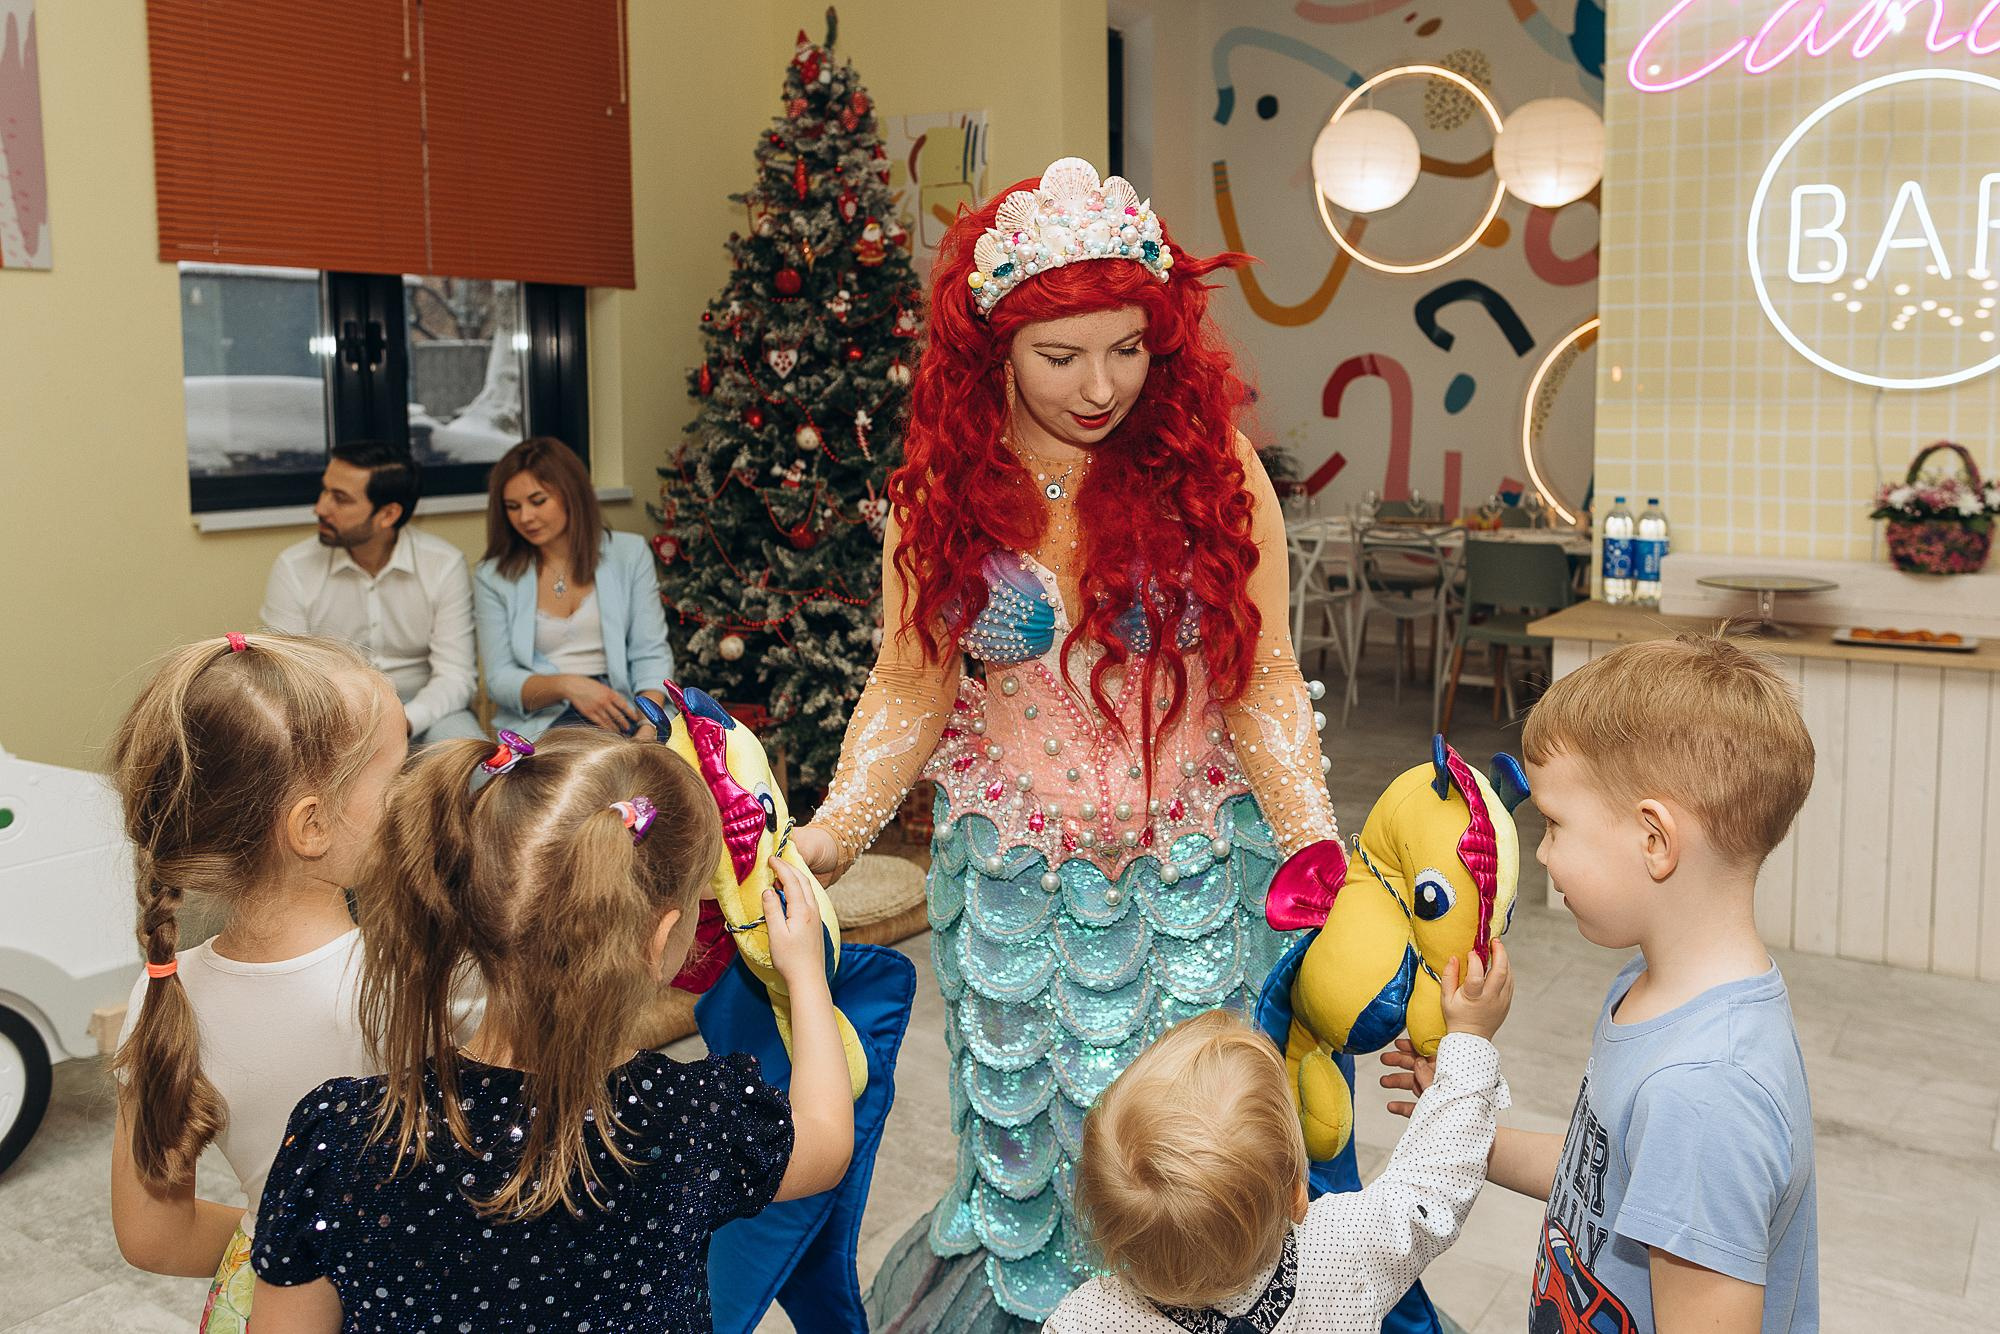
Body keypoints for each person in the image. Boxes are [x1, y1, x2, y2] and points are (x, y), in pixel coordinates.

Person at [788, 158, 1346, 1329]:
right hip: (1016, 901)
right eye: (1060, 355)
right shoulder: (940, 488)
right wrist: (837, 824)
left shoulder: (1213, 468)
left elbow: (1264, 673)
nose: (1100, 385)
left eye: (1128, 347)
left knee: (1193, 1167)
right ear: (993, 349)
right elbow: (907, 683)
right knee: (1032, 1167)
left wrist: (1312, 842)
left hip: (1197, 885)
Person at [245, 728, 855, 1331]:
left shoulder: (338, 1136)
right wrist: (804, 976)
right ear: (659, 939)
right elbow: (825, 1143)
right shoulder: (691, 1120)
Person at [1385, 634, 1818, 1333]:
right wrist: (1470, 1130)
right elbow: (1612, 1178)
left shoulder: (1706, 1093)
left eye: (1555, 825)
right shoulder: (1650, 989)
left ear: (1655, 840)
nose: (1545, 857)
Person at [107, 633, 409, 1334]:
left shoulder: (161, 996)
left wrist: (287, 1243)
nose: (411, 793)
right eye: (396, 774)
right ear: (312, 824)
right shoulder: (413, 988)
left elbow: (153, 1235)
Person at [1049, 945, 1512, 1333]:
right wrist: (1469, 1042)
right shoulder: (1341, 1252)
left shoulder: (1086, 1320)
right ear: (1296, 1194)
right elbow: (1432, 1188)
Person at [260, 441, 483, 743]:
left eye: (340, 498)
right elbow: (287, 676)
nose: (320, 508)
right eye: (325, 490)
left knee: (475, 762)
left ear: (388, 514)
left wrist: (404, 721)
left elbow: (455, 676)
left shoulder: (443, 565)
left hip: (424, 713)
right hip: (331, 716)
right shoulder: (294, 567)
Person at [474, 436, 674, 741]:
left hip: (629, 710)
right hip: (544, 719)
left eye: (538, 501)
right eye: (512, 507)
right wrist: (568, 685)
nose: (525, 517)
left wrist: (649, 727)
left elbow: (651, 654)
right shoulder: (494, 575)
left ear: (572, 494)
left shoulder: (629, 554)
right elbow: (500, 679)